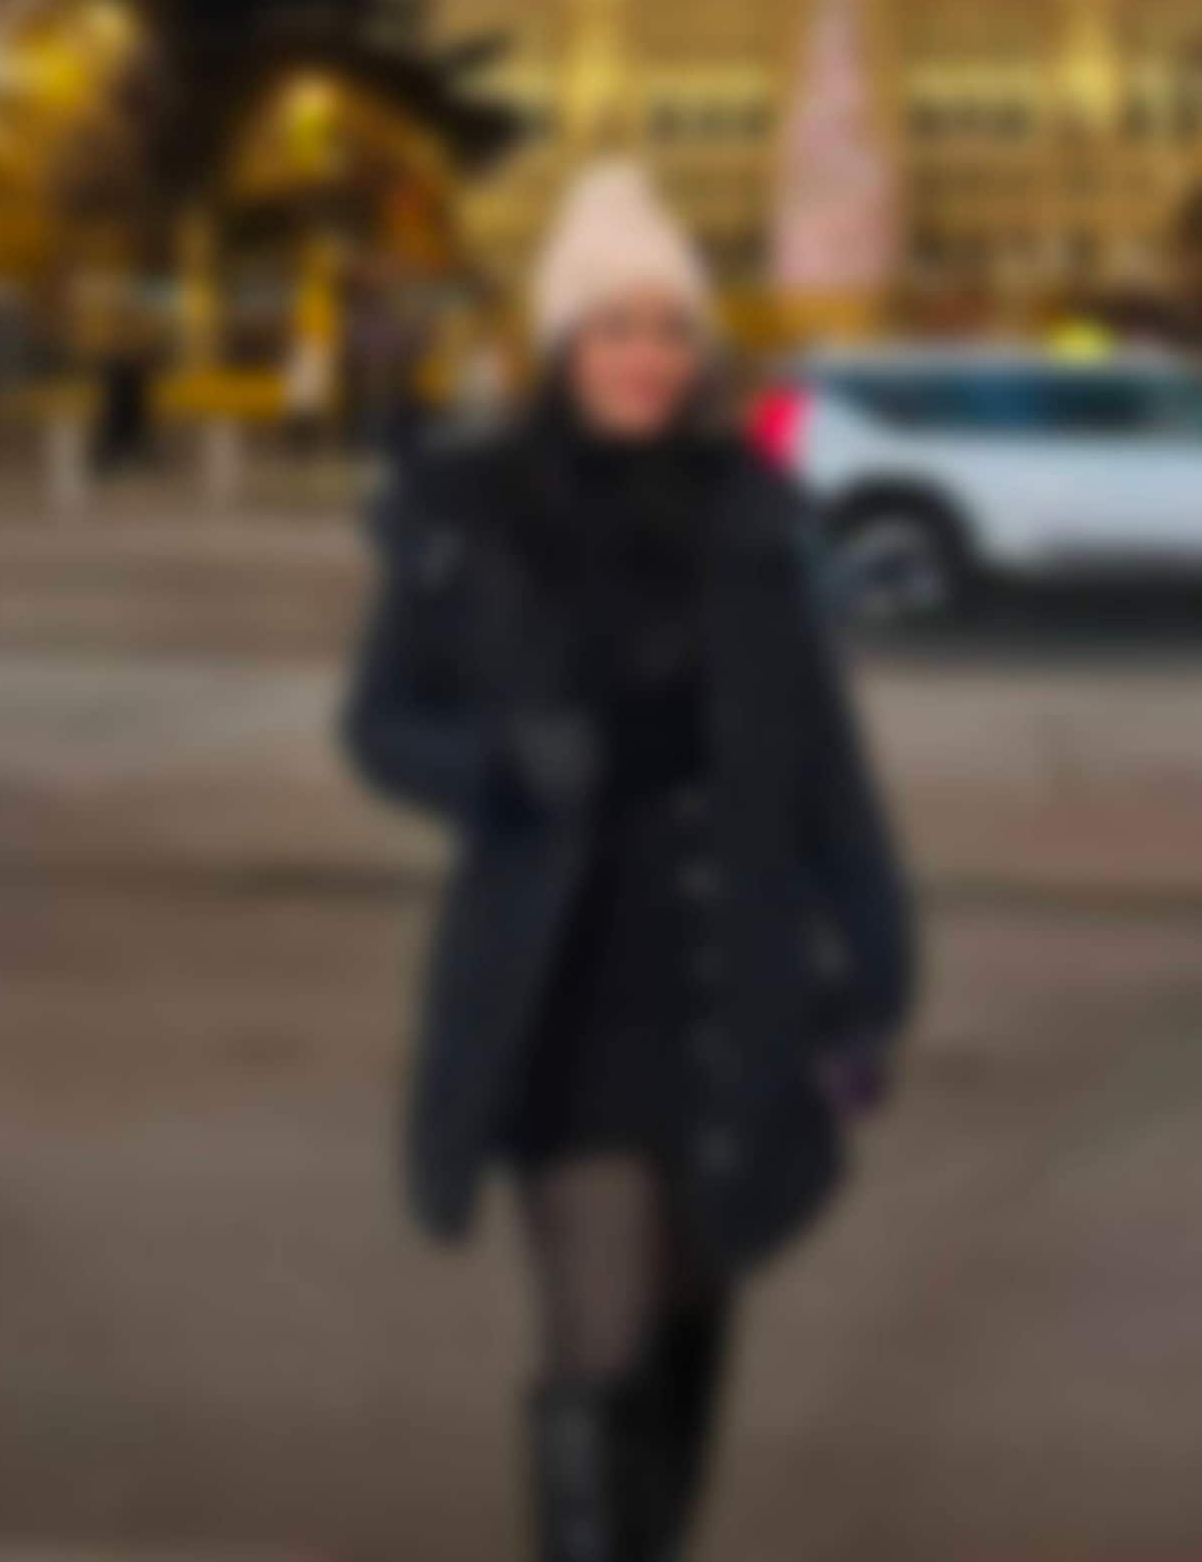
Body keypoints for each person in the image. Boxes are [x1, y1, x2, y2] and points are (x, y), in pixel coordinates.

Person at [344, 160, 914, 1559]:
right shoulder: (476, 515)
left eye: (668, 329)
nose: (645, 356)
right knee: (596, 1339)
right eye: (614, 327)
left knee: (688, 1324)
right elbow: (379, 725)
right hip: (562, 985)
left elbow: (826, 769)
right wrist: (499, 765)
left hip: (729, 978)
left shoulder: (752, 517)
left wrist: (876, 963)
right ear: (562, 345)